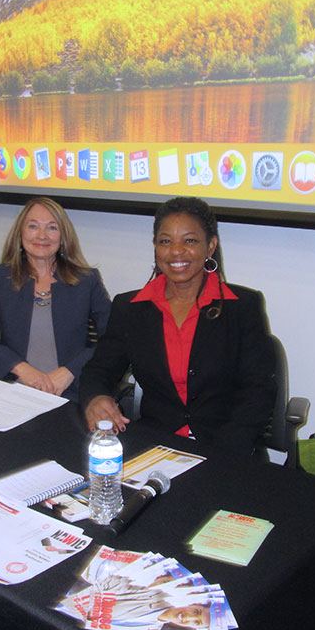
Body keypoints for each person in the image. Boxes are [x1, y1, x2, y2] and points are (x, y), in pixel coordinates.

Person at [79, 196, 277, 460]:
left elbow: (258, 392)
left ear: (210, 246)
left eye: (190, 240)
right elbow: (98, 370)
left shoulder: (242, 307)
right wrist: (95, 398)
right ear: (155, 247)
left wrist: (222, 453)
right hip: (156, 445)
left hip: (227, 449)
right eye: (165, 241)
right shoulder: (131, 308)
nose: (176, 251)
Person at [0, 197, 111, 401]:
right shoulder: (2, 277)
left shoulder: (87, 280)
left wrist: (69, 372)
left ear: (63, 237)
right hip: (14, 388)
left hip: (70, 391)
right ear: (20, 234)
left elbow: (112, 338)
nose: (42, 235)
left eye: (52, 228)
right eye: (33, 226)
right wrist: (21, 369)